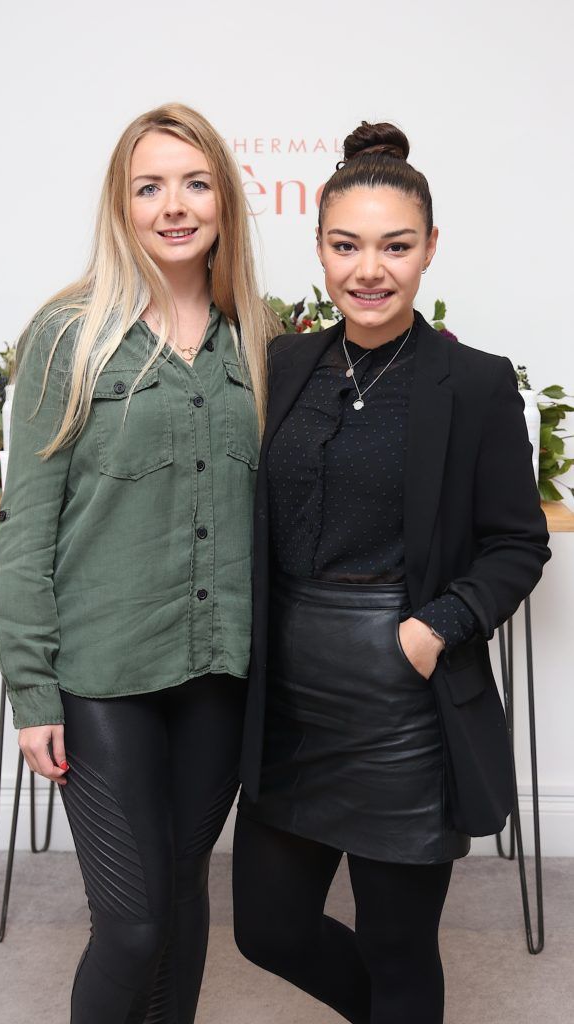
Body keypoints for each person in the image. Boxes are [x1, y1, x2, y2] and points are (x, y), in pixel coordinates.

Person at [232, 121, 551, 1024]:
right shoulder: (282, 364)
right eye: (346, 245)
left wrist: (436, 627)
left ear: (429, 250)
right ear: (321, 248)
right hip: (290, 703)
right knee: (267, 929)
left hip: (404, 706)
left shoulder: (477, 384)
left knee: (399, 946)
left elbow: (518, 545)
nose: (369, 270)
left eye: (395, 246)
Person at [0, 102, 276, 1024]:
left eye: (195, 184)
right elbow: (27, 526)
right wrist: (32, 690)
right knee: (132, 923)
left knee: (187, 897)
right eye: (148, 186)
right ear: (121, 205)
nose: (174, 206)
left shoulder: (257, 342)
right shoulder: (67, 335)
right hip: (105, 673)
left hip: (218, 670)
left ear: (225, 200)